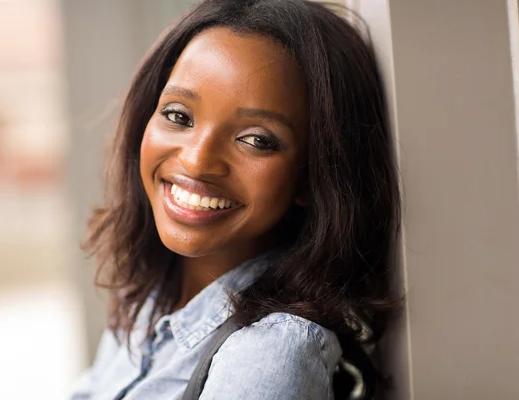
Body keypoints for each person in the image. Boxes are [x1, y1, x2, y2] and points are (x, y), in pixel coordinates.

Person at [72, 0, 401, 399]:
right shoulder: (150, 299)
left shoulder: (269, 355)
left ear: (314, 176)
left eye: (256, 140)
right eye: (178, 116)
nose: (197, 160)